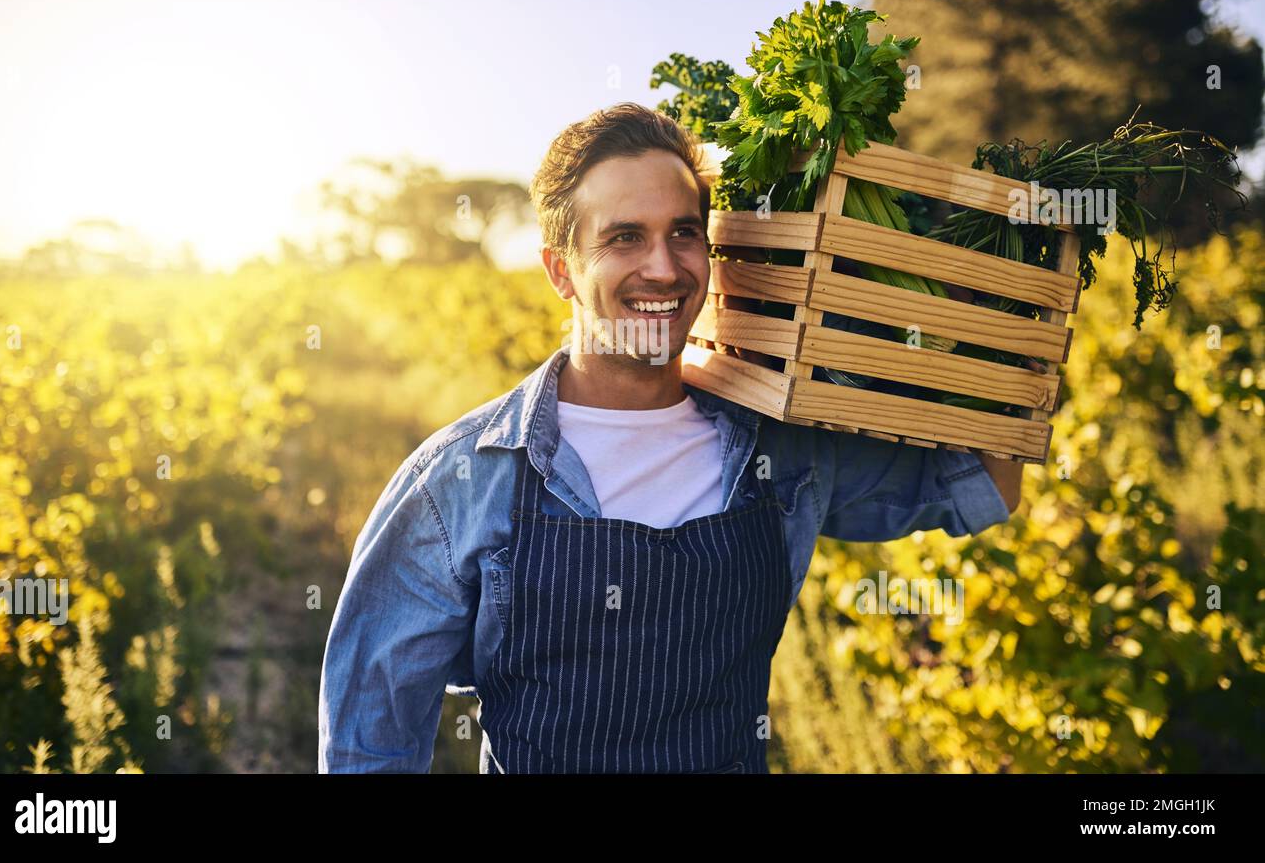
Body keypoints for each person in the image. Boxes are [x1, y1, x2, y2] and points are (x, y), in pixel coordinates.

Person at [317, 102, 1025, 774]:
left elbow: (977, 486)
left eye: (683, 232)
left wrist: (1002, 325)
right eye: (625, 237)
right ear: (560, 269)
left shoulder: (780, 454)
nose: (663, 266)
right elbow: (369, 743)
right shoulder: (461, 482)